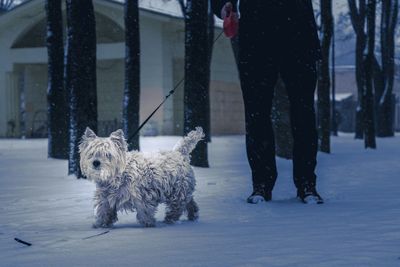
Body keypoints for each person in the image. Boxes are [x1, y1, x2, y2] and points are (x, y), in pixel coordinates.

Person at [212, 0, 324, 204]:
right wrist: (224, 5)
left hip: (299, 35)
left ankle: (307, 184)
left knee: (304, 114)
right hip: (257, 36)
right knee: (256, 114)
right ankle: (261, 185)